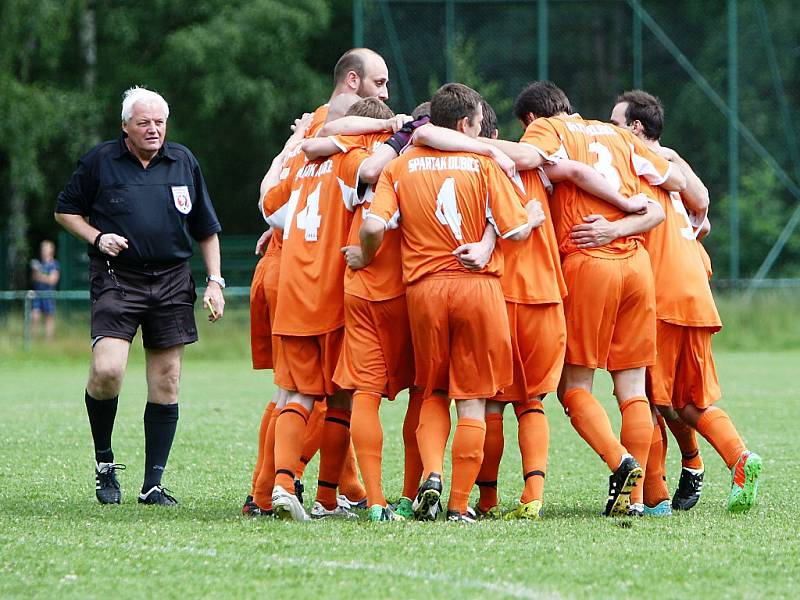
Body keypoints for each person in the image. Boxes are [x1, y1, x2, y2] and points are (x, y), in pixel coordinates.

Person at [362, 83, 539, 523]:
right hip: (477, 288)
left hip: (424, 290)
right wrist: (514, 226)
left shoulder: (401, 166)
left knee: (433, 391)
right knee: (474, 400)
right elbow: (515, 229)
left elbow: (373, 225)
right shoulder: (482, 162)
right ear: (466, 124)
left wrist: (362, 255)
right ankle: (460, 505)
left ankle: (434, 476)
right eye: (479, 123)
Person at [54, 86, 225, 506]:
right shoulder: (100, 161)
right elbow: (65, 210)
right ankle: (104, 463)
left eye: (159, 122)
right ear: (125, 127)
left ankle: (152, 484)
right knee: (108, 370)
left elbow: (206, 227)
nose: (153, 130)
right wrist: (97, 238)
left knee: (167, 379)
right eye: (144, 123)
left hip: (171, 280)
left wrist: (215, 281)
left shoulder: (183, 161)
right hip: (117, 277)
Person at [244, 47, 391, 516]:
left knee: (293, 393)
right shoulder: (353, 154)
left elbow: (270, 207)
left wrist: (290, 149)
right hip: (330, 293)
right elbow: (369, 180)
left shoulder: (306, 155)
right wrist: (400, 133)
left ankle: (276, 490)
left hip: (290, 288)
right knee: (340, 397)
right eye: (380, 83)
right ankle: (324, 493)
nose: (386, 91)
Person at [608, 89, 762, 513]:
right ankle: (739, 459)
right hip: (696, 291)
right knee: (690, 402)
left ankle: (653, 497)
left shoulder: (633, 166)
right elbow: (705, 216)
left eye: (616, 124)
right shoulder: (673, 164)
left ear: (635, 129)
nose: (609, 132)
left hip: (660, 296)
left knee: (645, 399)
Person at [30, 239, 61, 339]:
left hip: (48, 294)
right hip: (38, 294)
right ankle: (32, 339)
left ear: (51, 250)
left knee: (49, 318)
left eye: (46, 249)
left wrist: (40, 276)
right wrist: (36, 273)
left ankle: (48, 340)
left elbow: (53, 280)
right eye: (42, 249)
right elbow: (33, 278)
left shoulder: (54, 264)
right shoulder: (39, 263)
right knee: (35, 316)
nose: (43, 251)